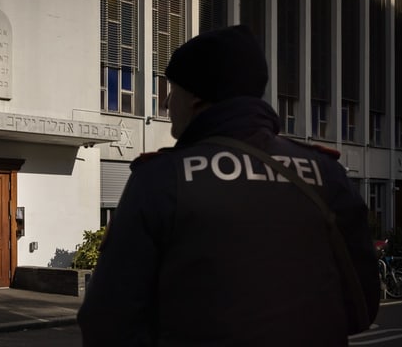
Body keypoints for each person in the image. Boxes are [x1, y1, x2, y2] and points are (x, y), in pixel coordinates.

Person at [77, 25, 379, 346]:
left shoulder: (163, 179)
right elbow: (361, 306)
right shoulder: (325, 173)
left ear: (196, 96)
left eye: (172, 89)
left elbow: (108, 321)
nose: (166, 103)